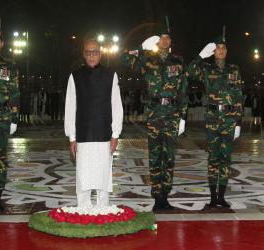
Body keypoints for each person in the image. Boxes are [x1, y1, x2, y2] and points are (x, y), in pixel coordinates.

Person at [122, 20, 188, 211]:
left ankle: (165, 195)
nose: (165, 40)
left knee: (169, 157)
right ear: (157, 41)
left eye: (168, 38)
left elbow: (183, 90)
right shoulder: (147, 59)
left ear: (171, 41)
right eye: (162, 38)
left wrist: (183, 117)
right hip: (154, 113)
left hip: (173, 114)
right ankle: (156, 195)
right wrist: (141, 48)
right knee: (154, 155)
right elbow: (124, 58)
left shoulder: (178, 61)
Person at [64, 39, 123, 208]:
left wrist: (115, 134)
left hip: (105, 133)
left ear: (101, 53)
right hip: (82, 134)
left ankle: (102, 208)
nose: (92, 55)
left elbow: (116, 105)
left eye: (95, 52)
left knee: (103, 174)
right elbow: (70, 107)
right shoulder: (74, 76)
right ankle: (83, 209)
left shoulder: (111, 75)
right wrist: (72, 137)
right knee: (83, 175)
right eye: (88, 52)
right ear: (83, 54)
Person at [188, 32, 243, 208]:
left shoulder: (234, 69)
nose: (221, 51)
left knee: (226, 158)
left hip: (229, 120)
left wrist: (239, 122)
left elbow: (239, 97)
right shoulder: (206, 69)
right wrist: (200, 56)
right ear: (214, 52)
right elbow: (189, 72)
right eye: (218, 48)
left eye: (223, 48)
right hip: (213, 119)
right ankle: (213, 196)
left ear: (227, 51)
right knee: (213, 158)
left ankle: (222, 196)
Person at [0, 28, 20, 211]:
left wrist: (14, 117)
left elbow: (14, 92)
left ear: (2, 44)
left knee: (0, 158)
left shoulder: (9, 66)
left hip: (2, 118)